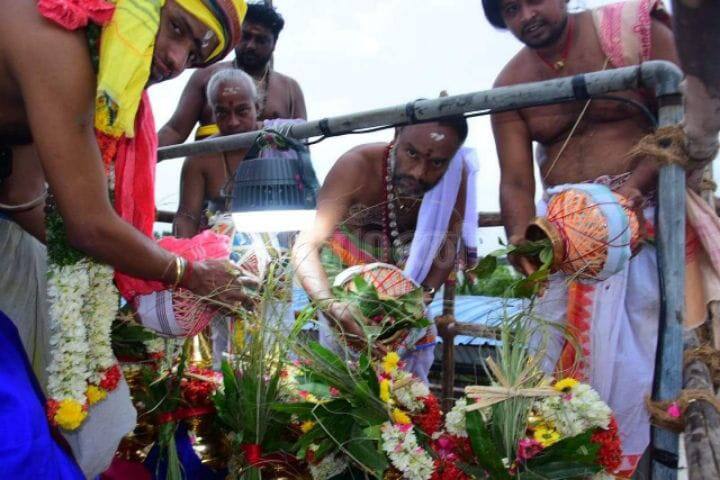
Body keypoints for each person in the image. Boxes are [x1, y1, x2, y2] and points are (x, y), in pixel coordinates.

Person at [0, 0, 249, 477]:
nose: (176, 60)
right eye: (175, 28)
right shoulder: (57, 39)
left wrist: (136, 262)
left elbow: (22, 197)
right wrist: (186, 270)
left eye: (194, 54)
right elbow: (88, 225)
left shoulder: (89, 63)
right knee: (19, 442)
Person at [484, 0, 718, 475]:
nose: (526, 15)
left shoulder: (633, 32)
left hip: (647, 224)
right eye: (510, 9)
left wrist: (632, 193)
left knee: (646, 372)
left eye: (534, 0)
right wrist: (524, 245)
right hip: (560, 243)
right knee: (552, 375)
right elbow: (514, 183)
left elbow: (684, 118)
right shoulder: (509, 86)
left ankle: (635, 467)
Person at [292, 117, 477, 384]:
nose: (418, 173)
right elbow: (306, 245)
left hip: (405, 298)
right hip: (342, 295)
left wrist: (421, 298)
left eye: (436, 163)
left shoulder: (453, 178)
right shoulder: (356, 167)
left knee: (407, 400)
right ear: (397, 133)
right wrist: (332, 306)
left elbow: (449, 242)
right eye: (411, 153)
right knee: (341, 393)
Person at [158, 2, 307, 145]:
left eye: (260, 40)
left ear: (274, 44)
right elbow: (175, 131)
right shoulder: (205, 77)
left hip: (273, 171)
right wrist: (138, 157)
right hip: (211, 169)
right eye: (246, 36)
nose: (250, 46)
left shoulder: (290, 89)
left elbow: (303, 143)